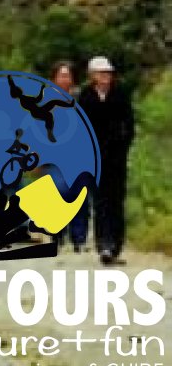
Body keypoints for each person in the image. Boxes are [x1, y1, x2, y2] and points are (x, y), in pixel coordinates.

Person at [82, 55, 135, 265]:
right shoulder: (85, 97)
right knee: (100, 201)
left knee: (116, 200)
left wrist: (124, 144)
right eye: (102, 73)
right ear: (93, 75)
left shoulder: (120, 95)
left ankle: (115, 245)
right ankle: (103, 243)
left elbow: (129, 123)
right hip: (94, 156)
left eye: (108, 74)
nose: (106, 77)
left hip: (116, 155)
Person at [48, 61, 90, 252]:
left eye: (68, 75)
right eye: (61, 75)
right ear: (54, 78)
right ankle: (56, 234)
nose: (64, 79)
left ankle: (79, 238)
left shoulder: (81, 99)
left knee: (79, 195)